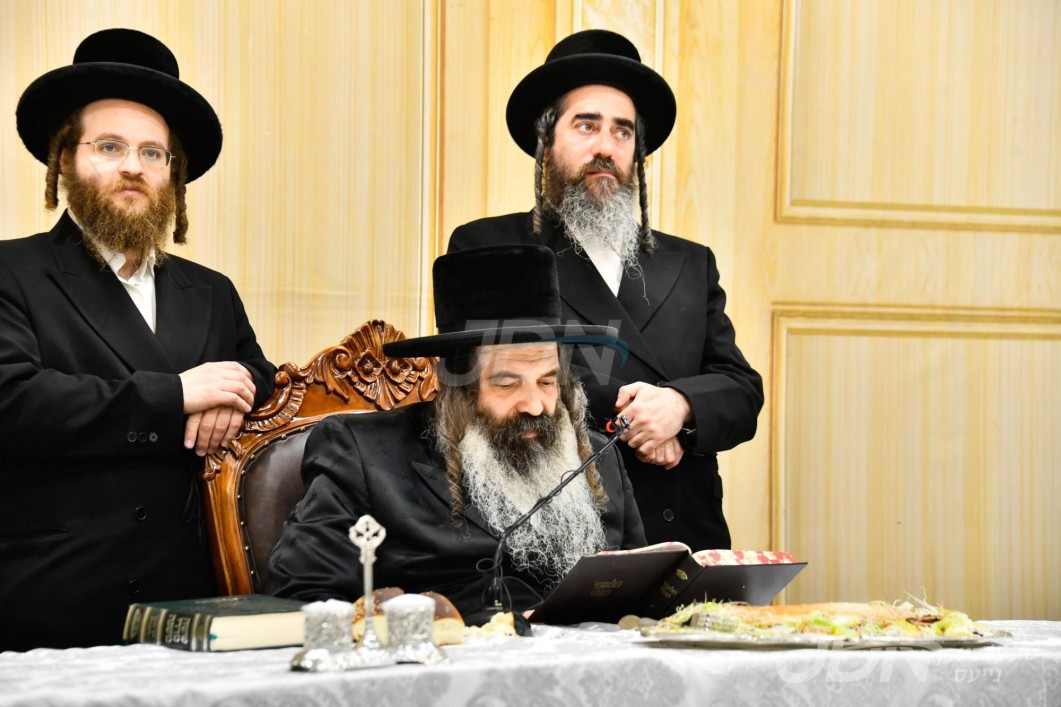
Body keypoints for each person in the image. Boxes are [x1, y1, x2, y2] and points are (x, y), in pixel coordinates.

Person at [0, 29, 275, 650]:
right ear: (64, 159)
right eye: (109, 146)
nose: (133, 166)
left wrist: (232, 391)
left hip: (189, 596)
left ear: (173, 174)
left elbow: (260, 376)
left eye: (154, 153)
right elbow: (13, 399)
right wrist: (176, 395)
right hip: (53, 596)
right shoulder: (11, 272)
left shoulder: (210, 290)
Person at [448, 29, 764, 551]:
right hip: (553, 534)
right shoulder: (489, 247)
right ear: (546, 141)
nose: (605, 148)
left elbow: (741, 390)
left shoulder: (690, 263)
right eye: (586, 125)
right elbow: (480, 387)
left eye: (622, 132)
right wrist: (640, 423)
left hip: (681, 533)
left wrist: (680, 407)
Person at [268, 245, 645, 619]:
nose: (535, 405)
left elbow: (642, 590)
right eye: (507, 384)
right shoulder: (364, 455)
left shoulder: (598, 458)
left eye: (547, 382)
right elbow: (302, 596)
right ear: (458, 387)